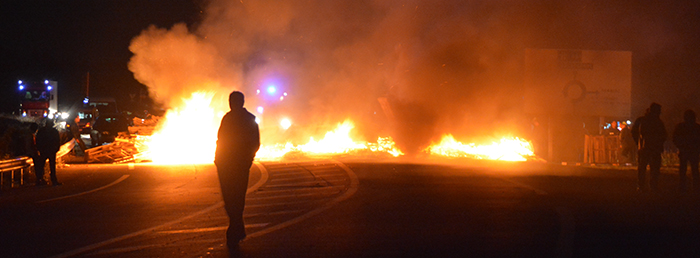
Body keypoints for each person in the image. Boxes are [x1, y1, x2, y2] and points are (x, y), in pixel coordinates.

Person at [214, 91, 260, 249]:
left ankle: (235, 230)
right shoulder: (237, 118)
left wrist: (247, 159)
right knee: (234, 199)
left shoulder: (244, 119)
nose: (231, 103)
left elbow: (253, 142)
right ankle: (237, 229)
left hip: (234, 164)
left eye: (232, 101)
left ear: (239, 102)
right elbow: (221, 140)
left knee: (234, 198)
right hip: (230, 164)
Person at [634, 103, 666, 193]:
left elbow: (636, 133)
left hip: (646, 148)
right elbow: (663, 135)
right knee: (653, 168)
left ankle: (642, 186)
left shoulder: (644, 121)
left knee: (643, 168)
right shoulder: (656, 122)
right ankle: (651, 186)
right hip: (651, 148)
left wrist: (638, 143)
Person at [672, 110, 700, 193]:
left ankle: (683, 187)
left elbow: (675, 138)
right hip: (693, 151)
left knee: (683, 170)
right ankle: (695, 187)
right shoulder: (697, 127)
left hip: (684, 150)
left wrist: (680, 146)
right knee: (694, 170)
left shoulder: (681, 127)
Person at [35, 119, 62, 186]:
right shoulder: (54, 131)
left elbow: (38, 140)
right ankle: (53, 180)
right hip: (51, 151)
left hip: (43, 150)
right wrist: (56, 149)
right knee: (52, 166)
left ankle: (39, 180)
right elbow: (57, 141)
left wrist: (39, 149)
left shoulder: (42, 131)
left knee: (41, 165)